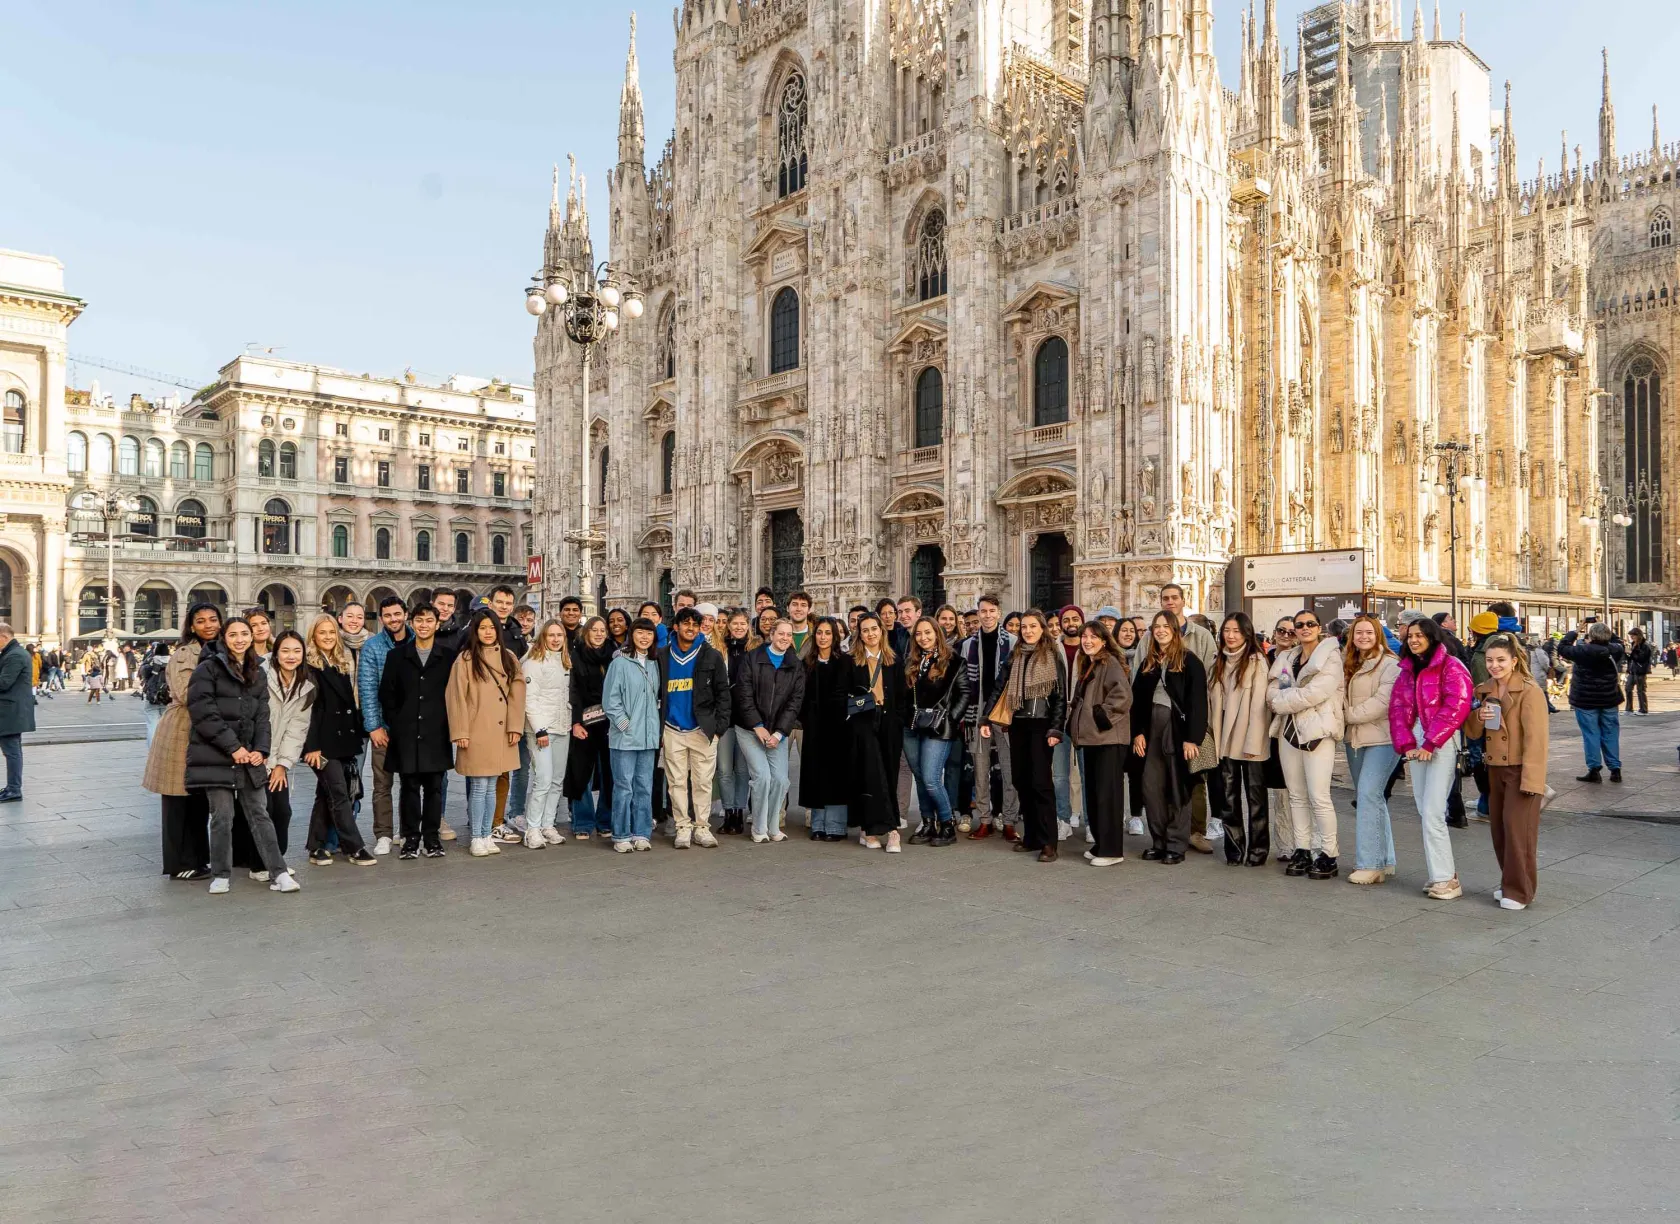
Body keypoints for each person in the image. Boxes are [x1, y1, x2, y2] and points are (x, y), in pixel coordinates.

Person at [186, 618, 298, 896]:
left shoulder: (257, 670)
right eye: (233, 634)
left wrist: (261, 750)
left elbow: (263, 716)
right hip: (216, 754)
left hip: (250, 757)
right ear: (224, 637)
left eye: (244, 634)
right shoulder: (207, 668)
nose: (240, 639)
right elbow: (203, 713)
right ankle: (221, 874)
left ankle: (279, 872)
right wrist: (233, 747)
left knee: (260, 814)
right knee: (222, 816)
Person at [1388, 615, 1473, 900]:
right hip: (1419, 741)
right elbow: (1398, 708)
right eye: (1409, 635)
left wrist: (1430, 742)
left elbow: (1456, 705)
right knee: (1426, 810)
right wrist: (1406, 744)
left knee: (1434, 810)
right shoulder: (1407, 671)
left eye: (1419, 635)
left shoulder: (1451, 666)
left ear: (1432, 637)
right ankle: (1441, 874)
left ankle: (1445, 877)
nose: (1413, 640)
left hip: (1441, 741)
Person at [1464, 634, 1549, 911]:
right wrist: (1477, 717)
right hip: (1494, 769)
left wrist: (1532, 780)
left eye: (1501, 660)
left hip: (1520, 769)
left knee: (1518, 833)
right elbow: (1472, 732)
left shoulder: (1529, 690)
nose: (1494, 665)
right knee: (1500, 832)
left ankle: (1520, 891)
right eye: (1490, 660)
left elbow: (1536, 740)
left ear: (1514, 661)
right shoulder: (1484, 689)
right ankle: (1509, 883)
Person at [145, 602, 222, 881]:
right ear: (191, 626)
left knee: (199, 800)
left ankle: (199, 859)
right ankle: (181, 863)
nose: (208, 625)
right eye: (201, 621)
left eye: (213, 619)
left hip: (207, 732)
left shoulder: (223, 649)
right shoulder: (184, 654)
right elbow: (187, 693)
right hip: (181, 731)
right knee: (178, 800)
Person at [1266, 608, 1344, 880]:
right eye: (1299, 625)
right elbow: (1271, 691)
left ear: (1319, 627)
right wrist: (1284, 699)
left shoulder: (1331, 656)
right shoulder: (1288, 656)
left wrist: (1284, 701)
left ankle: (1328, 852)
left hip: (1318, 731)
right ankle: (1302, 848)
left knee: (1319, 796)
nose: (1304, 628)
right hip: (1288, 731)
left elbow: (1317, 693)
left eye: (1310, 624)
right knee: (1296, 795)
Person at [379, 603, 457, 859]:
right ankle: (410, 838)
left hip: (436, 732)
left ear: (437, 624)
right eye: (419, 620)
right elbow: (387, 695)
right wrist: (399, 721)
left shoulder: (447, 656)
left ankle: (432, 838)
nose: (424, 625)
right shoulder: (397, 656)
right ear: (412, 623)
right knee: (409, 788)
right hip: (407, 733)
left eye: (429, 620)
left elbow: (453, 694)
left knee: (435, 788)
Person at [448, 608, 528, 857]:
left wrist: (516, 726)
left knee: (492, 785)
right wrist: (460, 730)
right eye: (482, 628)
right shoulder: (466, 659)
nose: (487, 632)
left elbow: (517, 695)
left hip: (502, 731)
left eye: (491, 628)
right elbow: (455, 697)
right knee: (480, 786)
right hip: (475, 730)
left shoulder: (509, 658)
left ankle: (487, 833)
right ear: (475, 630)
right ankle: (476, 836)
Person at [1130, 612, 1208, 865]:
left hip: (1176, 732)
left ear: (1175, 630)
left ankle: (1176, 843)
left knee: (1177, 788)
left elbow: (1197, 702)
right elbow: (1137, 701)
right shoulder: (1147, 663)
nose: (1161, 630)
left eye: (1166, 626)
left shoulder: (1189, 661)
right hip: (1150, 731)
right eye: (1157, 627)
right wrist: (1138, 732)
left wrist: (1192, 739)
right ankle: (1159, 840)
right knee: (1151, 788)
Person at [988, 610, 1066, 861]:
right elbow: (1000, 686)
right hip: (1018, 724)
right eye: (1024, 627)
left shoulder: (1053, 656)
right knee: (1021, 780)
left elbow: (1060, 697)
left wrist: (1056, 728)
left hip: (1042, 725)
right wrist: (986, 716)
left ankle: (1049, 842)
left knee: (1041, 783)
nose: (1028, 631)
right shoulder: (1015, 655)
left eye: (1033, 626)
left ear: (1042, 629)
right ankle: (1032, 836)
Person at [301, 614, 376, 867]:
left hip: (342, 740)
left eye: (332, 633)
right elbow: (308, 710)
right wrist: (312, 747)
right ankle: (354, 847)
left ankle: (316, 846)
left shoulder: (339, 662)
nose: (328, 637)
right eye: (322, 633)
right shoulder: (309, 666)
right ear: (313, 635)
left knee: (326, 793)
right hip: (321, 743)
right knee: (340, 794)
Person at [660, 605, 731, 848]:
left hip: (702, 729)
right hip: (672, 729)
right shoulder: (662, 655)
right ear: (676, 627)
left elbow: (723, 692)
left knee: (702, 782)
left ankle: (702, 826)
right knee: (676, 781)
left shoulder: (711, 655)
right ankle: (682, 826)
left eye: (694, 624)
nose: (690, 628)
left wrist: (719, 727)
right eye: (685, 624)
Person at [733, 617, 806, 843]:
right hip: (749, 729)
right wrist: (757, 726)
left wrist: (778, 733)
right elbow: (743, 695)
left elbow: (795, 702)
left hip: (778, 732)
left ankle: (774, 826)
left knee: (781, 780)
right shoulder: (752, 659)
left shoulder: (795, 665)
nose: (784, 638)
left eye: (788, 634)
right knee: (762, 777)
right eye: (780, 633)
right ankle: (759, 827)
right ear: (771, 635)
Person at [900, 616, 970, 850]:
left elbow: (964, 694)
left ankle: (947, 823)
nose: (923, 637)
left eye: (928, 632)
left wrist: (950, 718)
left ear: (937, 633)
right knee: (920, 777)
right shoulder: (911, 661)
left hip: (938, 727)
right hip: (911, 726)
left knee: (931, 778)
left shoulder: (954, 661)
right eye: (918, 634)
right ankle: (928, 822)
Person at [1341, 614, 1401, 886]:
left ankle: (1369, 863)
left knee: (1368, 794)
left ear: (1378, 635)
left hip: (1383, 738)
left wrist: (1347, 715)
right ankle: (1385, 859)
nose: (1363, 637)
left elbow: (1382, 702)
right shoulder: (1348, 663)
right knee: (1372, 797)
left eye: (1368, 632)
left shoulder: (1390, 665)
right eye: (1358, 632)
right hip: (1354, 739)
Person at [1067, 621, 1132, 866]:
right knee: (1094, 792)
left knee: (1108, 794)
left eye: (1093, 637)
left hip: (1108, 738)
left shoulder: (1109, 663)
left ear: (1104, 640)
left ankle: (1112, 850)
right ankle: (1101, 844)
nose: (1087, 641)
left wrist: (1100, 717)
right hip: (1093, 738)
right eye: (1084, 636)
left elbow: (1122, 696)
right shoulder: (1090, 663)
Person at [1210, 613, 1271, 867]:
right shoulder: (1218, 662)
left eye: (1236, 631)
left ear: (1246, 633)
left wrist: (1253, 743)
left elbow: (1260, 707)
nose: (1231, 636)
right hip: (1224, 739)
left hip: (1250, 740)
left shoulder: (1257, 662)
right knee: (1228, 798)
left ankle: (1258, 851)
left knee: (1256, 798)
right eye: (1227, 630)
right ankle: (1234, 849)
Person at [845, 612, 904, 850]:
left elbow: (900, 697)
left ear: (882, 630)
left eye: (874, 629)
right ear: (860, 634)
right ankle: (872, 828)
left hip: (889, 724)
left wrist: (897, 720)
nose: (870, 634)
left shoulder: (894, 660)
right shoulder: (851, 661)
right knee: (869, 775)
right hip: (863, 725)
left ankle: (890, 829)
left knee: (889, 774)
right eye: (865, 630)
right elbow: (843, 694)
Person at [602, 617, 662, 852]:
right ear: (632, 635)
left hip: (648, 736)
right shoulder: (620, 662)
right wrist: (623, 723)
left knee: (644, 786)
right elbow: (610, 699)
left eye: (649, 633)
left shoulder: (656, 663)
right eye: (640, 632)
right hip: (625, 737)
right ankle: (621, 834)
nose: (644, 637)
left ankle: (641, 832)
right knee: (624, 786)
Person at [960, 594, 1017, 839]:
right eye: (983, 611)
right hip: (977, 712)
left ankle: (1010, 819)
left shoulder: (1013, 642)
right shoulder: (968, 644)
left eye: (992, 610)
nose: (987, 615)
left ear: (999, 612)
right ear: (978, 613)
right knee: (980, 769)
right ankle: (984, 819)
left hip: (1003, 711)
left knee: (1008, 768)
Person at [356, 595, 409, 855]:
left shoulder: (417, 641)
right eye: (387, 616)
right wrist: (374, 726)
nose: (393, 619)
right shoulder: (372, 646)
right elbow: (366, 689)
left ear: (405, 614)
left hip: (411, 728)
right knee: (382, 783)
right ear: (381, 619)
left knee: (410, 783)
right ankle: (384, 834)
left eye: (397, 614)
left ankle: (407, 831)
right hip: (384, 728)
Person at [516, 617, 571, 850]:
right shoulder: (533, 662)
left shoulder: (566, 661)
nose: (556, 639)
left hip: (562, 726)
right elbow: (530, 699)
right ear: (543, 637)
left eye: (560, 635)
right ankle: (533, 829)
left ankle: (548, 824)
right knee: (543, 779)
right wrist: (539, 729)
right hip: (541, 730)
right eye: (551, 635)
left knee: (557, 780)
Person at [798, 617, 852, 842]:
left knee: (836, 774)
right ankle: (818, 824)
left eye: (828, 633)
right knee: (815, 773)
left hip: (838, 727)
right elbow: (800, 694)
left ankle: (836, 826)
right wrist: (807, 717)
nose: (823, 637)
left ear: (835, 636)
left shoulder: (845, 662)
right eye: (819, 633)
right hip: (813, 727)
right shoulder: (807, 663)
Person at [562, 616, 615, 839]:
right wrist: (575, 722)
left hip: (610, 722)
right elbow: (573, 691)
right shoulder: (576, 655)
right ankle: (582, 820)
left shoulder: (614, 654)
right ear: (587, 632)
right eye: (594, 630)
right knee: (580, 771)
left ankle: (605, 820)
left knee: (608, 773)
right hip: (584, 721)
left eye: (603, 630)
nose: (599, 634)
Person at [1558, 621, 1626, 783]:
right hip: (1609, 698)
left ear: (1591, 635)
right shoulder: (1614, 650)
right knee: (1611, 733)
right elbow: (1620, 642)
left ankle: (1594, 769)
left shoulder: (1582, 651)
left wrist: (1577, 629)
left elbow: (1562, 646)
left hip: (1585, 700)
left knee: (1591, 734)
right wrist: (1608, 631)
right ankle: (1615, 769)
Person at [714, 609, 754, 833]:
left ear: (748, 625)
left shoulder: (754, 650)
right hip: (725, 716)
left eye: (742, 624)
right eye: (734, 624)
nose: (738, 628)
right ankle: (728, 811)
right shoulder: (721, 649)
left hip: (746, 718)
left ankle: (739, 812)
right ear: (728, 626)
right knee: (724, 768)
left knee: (742, 769)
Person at [0, 624, 34, 802]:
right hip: (11, 710)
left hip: (10, 711)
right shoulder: (13, 653)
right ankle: (12, 787)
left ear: (4, 637)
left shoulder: (14, 655)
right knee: (12, 750)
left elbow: (4, 683)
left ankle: (14, 789)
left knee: (11, 750)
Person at [139, 643, 171, 745]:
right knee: (167, 726)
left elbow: (143, 673)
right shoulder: (174, 661)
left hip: (152, 696)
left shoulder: (151, 660)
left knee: (152, 725)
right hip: (168, 697)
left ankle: (152, 749)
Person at [1625, 627, 1652, 716]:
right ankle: (1629, 709)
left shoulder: (1645, 646)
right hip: (1632, 670)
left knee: (1640, 690)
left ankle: (1643, 710)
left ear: (1638, 635)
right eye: (1631, 635)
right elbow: (1631, 659)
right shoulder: (1633, 644)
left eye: (1633, 635)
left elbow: (1642, 658)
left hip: (1641, 671)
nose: (1631, 637)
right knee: (1628, 688)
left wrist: (1631, 653)